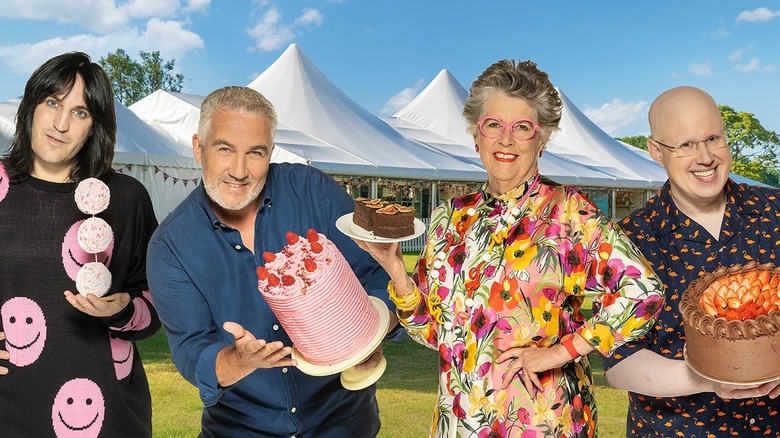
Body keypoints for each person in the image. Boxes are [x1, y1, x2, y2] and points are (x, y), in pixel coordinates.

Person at [355, 59, 665, 437]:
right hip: (460, 420)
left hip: (544, 422)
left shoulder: (569, 213)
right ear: (476, 135)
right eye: (493, 125)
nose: (506, 140)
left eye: (522, 127)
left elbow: (643, 292)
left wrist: (561, 352)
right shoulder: (448, 218)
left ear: (542, 138)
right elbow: (435, 335)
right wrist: (395, 270)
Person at [146, 85, 398, 437]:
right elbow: (191, 350)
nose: (239, 170)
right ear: (198, 149)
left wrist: (369, 336)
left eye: (255, 153)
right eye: (224, 149)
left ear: (271, 152)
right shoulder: (171, 246)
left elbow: (375, 275)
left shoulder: (314, 191)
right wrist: (238, 361)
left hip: (343, 425)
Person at [603, 86, 780, 437]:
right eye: (685, 145)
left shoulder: (775, 211)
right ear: (656, 151)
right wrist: (711, 376)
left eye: (713, 138)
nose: (705, 157)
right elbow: (617, 361)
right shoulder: (627, 241)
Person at [0, 52, 160, 436]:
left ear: (95, 127)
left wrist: (124, 310)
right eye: (53, 102)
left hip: (109, 411)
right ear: (30, 107)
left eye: (81, 113)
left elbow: (159, 302)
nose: (61, 124)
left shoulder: (125, 198)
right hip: (9, 407)